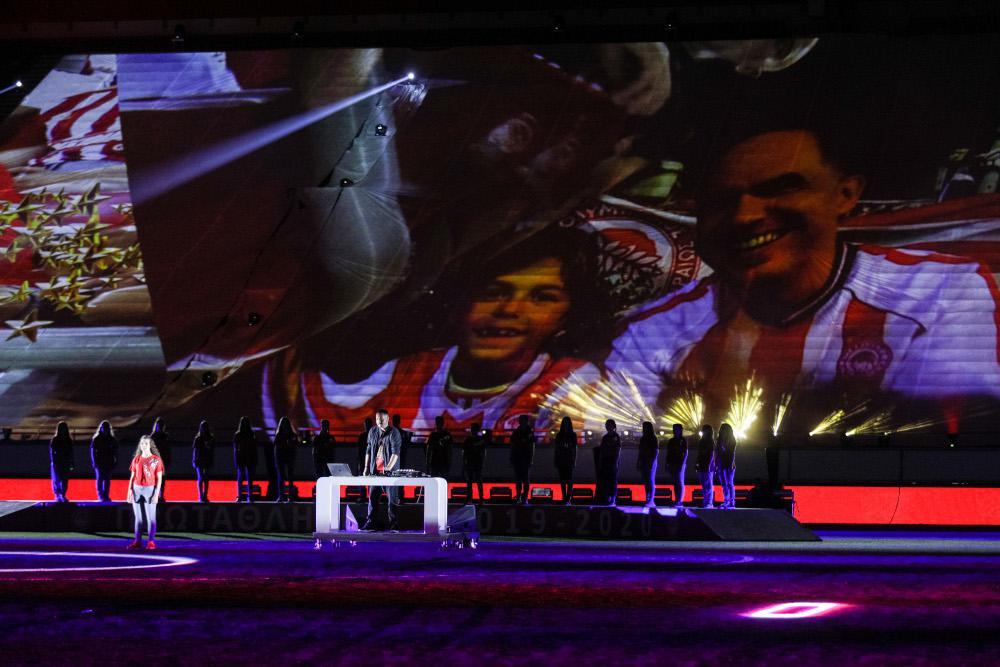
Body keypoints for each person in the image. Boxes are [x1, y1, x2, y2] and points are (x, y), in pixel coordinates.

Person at [605, 128, 1000, 435]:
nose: (744, 216)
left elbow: (944, 441)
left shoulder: (941, 292)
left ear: (846, 194)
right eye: (721, 200)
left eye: (780, 189)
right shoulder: (649, 334)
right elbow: (621, 455)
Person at [265, 228, 610, 435]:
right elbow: (312, 405)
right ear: (460, 303)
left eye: (542, 297)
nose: (509, 310)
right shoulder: (411, 370)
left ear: (564, 317)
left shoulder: (571, 382)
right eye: (492, 292)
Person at [361, 408, 403, 531]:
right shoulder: (372, 431)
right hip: (375, 472)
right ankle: (371, 523)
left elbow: (395, 453)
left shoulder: (394, 432)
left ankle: (393, 524)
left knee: (392, 501)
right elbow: (368, 450)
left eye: (382, 419)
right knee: (372, 499)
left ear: (388, 419)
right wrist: (366, 467)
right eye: (377, 419)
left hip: (390, 474)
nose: (379, 421)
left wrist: (388, 468)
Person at [126, 435, 164, 550]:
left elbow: (159, 478)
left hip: (150, 490)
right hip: (136, 489)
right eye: (142, 443)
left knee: (150, 518)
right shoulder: (136, 459)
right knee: (138, 518)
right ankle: (137, 541)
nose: (143, 445)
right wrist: (129, 490)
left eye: (146, 443)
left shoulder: (156, 460)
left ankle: (151, 542)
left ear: (150, 445)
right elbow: (132, 476)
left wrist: (156, 494)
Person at [509, 414, 536, 504]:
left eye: (522, 420)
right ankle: (518, 496)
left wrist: (531, 459)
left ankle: (525, 497)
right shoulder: (516, 432)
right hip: (517, 457)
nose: (521, 422)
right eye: (520, 420)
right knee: (518, 479)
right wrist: (511, 457)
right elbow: (513, 445)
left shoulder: (530, 432)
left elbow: (532, 446)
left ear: (526, 421)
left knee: (525, 478)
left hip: (526, 457)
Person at [595, 419, 622, 506]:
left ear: (613, 426)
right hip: (605, 461)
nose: (607, 426)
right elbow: (602, 450)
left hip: (613, 461)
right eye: (606, 425)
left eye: (609, 425)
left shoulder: (616, 436)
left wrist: (615, 462)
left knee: (613, 480)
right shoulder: (605, 437)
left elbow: (618, 450)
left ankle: (613, 499)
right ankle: (607, 498)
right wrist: (601, 461)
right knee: (606, 480)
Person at [90, 421, 117, 502]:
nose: (105, 430)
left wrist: (115, 460)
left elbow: (115, 451)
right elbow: (93, 451)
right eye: (104, 428)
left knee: (107, 479)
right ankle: (100, 495)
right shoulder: (97, 439)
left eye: (106, 428)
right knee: (100, 478)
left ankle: (106, 495)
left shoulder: (112, 439)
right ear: (101, 428)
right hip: (100, 462)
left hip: (108, 461)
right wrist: (94, 461)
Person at [553, 416, 578, 504]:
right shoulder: (559, 435)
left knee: (569, 480)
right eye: (564, 423)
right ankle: (564, 497)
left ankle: (568, 498)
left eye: (567, 423)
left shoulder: (573, 435)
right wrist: (556, 459)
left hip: (569, 459)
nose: (565, 425)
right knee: (563, 480)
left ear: (569, 424)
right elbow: (556, 449)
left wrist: (574, 460)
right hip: (561, 459)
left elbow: (575, 449)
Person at [273, 417, 298, 503]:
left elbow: (295, 445)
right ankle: (281, 496)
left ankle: (289, 497)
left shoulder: (291, 435)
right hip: (281, 457)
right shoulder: (279, 435)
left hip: (289, 457)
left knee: (289, 478)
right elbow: (276, 448)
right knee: (281, 477)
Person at [233, 416, 258, 503]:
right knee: (241, 477)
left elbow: (254, 447)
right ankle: (240, 496)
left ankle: (249, 496)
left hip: (249, 457)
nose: (245, 424)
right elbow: (235, 448)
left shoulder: (251, 434)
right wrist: (236, 460)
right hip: (241, 457)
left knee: (249, 477)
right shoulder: (238, 434)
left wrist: (254, 459)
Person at [49, 421, 74, 503]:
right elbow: (52, 452)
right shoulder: (55, 439)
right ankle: (57, 495)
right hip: (57, 462)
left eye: (64, 428)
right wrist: (54, 462)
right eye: (62, 428)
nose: (63, 430)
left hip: (66, 462)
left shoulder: (68, 440)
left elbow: (71, 452)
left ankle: (63, 494)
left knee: (65, 480)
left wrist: (72, 463)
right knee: (57, 479)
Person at [462, 422, 487, 504]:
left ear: (477, 430)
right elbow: (464, 452)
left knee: (477, 481)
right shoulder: (468, 440)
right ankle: (470, 499)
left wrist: (482, 462)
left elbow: (483, 452)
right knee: (470, 481)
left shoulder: (480, 440)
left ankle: (480, 499)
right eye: (472, 428)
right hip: (470, 463)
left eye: (474, 428)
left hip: (477, 463)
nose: (473, 430)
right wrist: (464, 462)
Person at [715, 423, 738, 509]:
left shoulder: (732, 440)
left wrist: (731, 463)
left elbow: (732, 453)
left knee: (729, 483)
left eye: (723, 429)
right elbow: (717, 453)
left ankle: (731, 501)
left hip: (728, 463)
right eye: (722, 429)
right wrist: (716, 464)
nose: (722, 431)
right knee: (724, 484)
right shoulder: (719, 440)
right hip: (721, 464)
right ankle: (727, 500)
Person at [665, 423, 688, 507]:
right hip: (672, 463)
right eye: (674, 429)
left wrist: (683, 463)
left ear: (680, 430)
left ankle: (680, 501)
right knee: (675, 482)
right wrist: (667, 463)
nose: (674, 430)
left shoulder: (683, 440)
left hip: (680, 463)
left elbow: (686, 453)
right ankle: (677, 500)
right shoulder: (671, 441)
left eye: (676, 429)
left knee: (679, 481)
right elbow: (668, 453)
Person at [637, 421, 659, 508]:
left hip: (650, 461)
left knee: (650, 480)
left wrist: (652, 462)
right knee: (646, 481)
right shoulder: (643, 438)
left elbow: (656, 451)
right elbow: (640, 451)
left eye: (645, 427)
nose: (644, 428)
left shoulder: (653, 438)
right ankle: (647, 498)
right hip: (644, 461)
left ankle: (651, 500)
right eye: (643, 427)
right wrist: (638, 461)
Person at [191, 420, 214, 503]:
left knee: (206, 478)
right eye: (203, 427)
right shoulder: (198, 438)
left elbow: (212, 450)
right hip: (199, 460)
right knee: (201, 478)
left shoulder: (210, 438)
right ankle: (201, 496)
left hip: (206, 459)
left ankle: (205, 495)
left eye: (205, 427)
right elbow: (195, 450)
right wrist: (194, 460)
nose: (204, 429)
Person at [695, 425, 716, 509]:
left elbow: (711, 454)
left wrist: (709, 465)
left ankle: (709, 503)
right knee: (704, 484)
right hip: (703, 464)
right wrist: (697, 463)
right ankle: (706, 502)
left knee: (708, 484)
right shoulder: (702, 441)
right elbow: (699, 453)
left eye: (705, 430)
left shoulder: (710, 441)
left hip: (708, 465)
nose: (703, 431)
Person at [150, 418, 170, 502]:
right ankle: (155, 495)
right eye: (159, 426)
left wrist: (168, 459)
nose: (160, 427)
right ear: (156, 426)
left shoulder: (165, 436)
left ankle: (161, 495)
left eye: (161, 426)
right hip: (155, 460)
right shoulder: (153, 436)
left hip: (163, 459)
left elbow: (168, 449)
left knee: (162, 479)